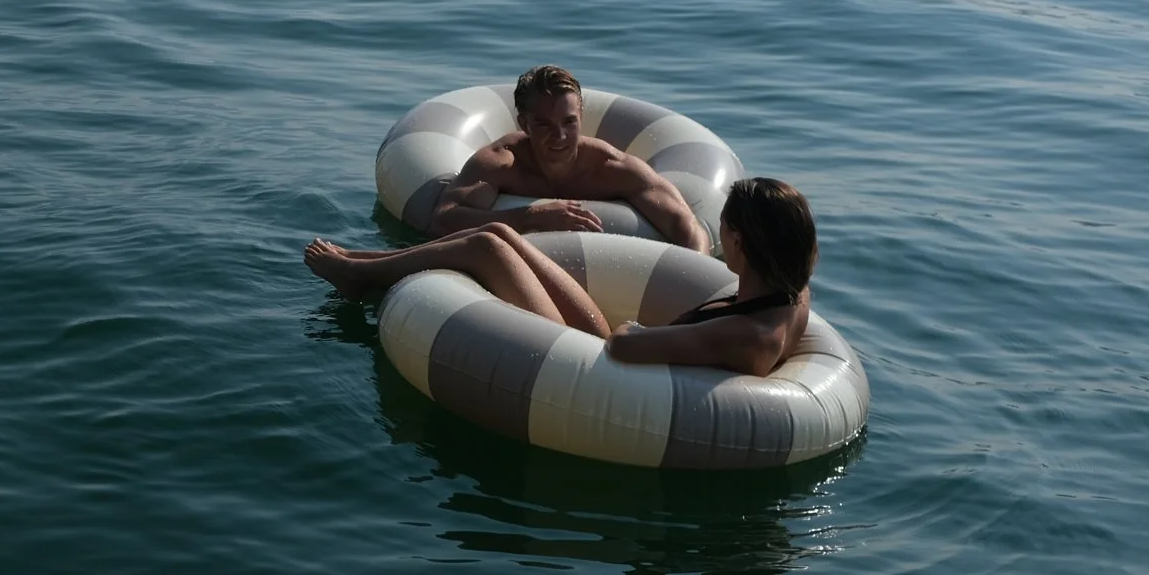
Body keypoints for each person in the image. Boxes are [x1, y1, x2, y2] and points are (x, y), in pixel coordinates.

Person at [302, 176, 817, 377]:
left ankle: (355, 275)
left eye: (725, 230)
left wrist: (643, 331)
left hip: (597, 363)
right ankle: (363, 262)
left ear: (742, 244)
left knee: (486, 246)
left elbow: (624, 348)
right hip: (614, 343)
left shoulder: (746, 333)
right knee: (502, 234)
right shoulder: (793, 296)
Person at [423, 65, 711, 253]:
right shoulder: (502, 164)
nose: (559, 135)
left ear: (582, 117)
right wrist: (532, 217)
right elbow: (444, 220)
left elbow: (686, 226)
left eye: (569, 122)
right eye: (545, 125)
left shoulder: (610, 168)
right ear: (524, 124)